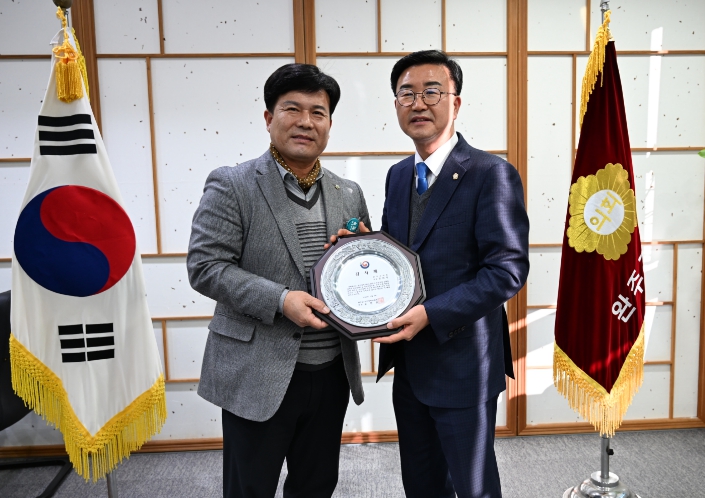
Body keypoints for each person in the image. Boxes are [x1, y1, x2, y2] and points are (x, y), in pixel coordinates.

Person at [187, 63, 370, 498]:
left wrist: (366, 260)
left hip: (331, 370)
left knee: (316, 484)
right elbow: (206, 266)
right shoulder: (232, 184)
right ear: (269, 118)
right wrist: (282, 299)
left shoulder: (349, 193)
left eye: (318, 112)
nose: (306, 121)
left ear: (329, 124)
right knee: (250, 488)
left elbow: (362, 268)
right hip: (257, 370)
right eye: (293, 109)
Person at [377, 50, 530, 497]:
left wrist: (431, 313)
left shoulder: (491, 173)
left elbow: (507, 270)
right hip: (409, 362)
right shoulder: (398, 175)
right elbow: (396, 256)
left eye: (432, 92)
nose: (418, 103)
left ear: (456, 102)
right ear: (396, 104)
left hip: (465, 363)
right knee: (421, 484)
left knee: (473, 486)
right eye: (407, 93)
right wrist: (360, 252)